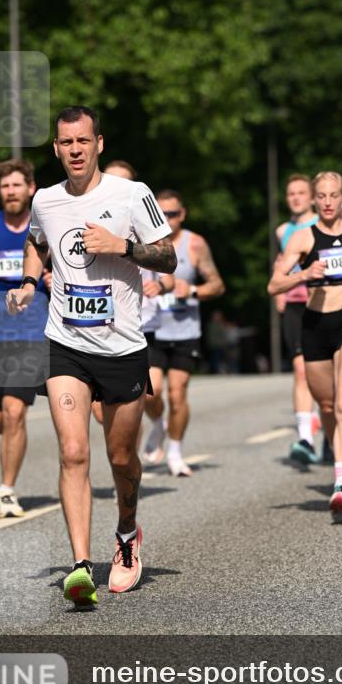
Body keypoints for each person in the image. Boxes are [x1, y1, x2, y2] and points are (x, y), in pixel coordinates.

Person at [6, 106, 176, 608]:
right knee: (73, 452)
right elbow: (37, 246)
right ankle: (81, 566)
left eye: (83, 141)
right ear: (55, 149)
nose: (75, 150)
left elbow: (167, 256)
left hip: (123, 347)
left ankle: (126, 532)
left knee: (121, 457)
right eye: (65, 143)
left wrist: (121, 245)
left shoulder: (131, 194)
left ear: (98, 143)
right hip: (67, 344)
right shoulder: (46, 200)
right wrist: (28, 282)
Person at [268, 172, 342, 520]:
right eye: (323, 196)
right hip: (315, 327)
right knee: (328, 405)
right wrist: (304, 275)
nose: (329, 202)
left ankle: (341, 484)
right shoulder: (302, 238)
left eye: (335, 195)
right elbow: (274, 285)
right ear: (316, 200)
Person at [0, 160, 50, 517]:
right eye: (5, 186)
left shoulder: (44, 226)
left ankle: (6, 489)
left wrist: (51, 278)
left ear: (30, 188)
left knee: (14, 411)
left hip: (31, 333)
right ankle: (7, 451)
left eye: (17, 185)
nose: (11, 191)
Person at [142, 189, 225, 476]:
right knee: (151, 393)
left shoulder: (195, 244)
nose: (167, 219)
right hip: (152, 328)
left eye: (173, 214)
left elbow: (217, 285)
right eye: (161, 214)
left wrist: (190, 290)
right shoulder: (144, 240)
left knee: (178, 395)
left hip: (185, 331)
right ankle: (157, 424)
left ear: (183, 215)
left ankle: (175, 452)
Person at [91, 160, 174, 429]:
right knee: (103, 415)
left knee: (149, 397)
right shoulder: (88, 218)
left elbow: (169, 270)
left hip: (139, 328)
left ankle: (156, 426)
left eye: (123, 182)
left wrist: (160, 286)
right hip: (92, 329)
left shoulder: (145, 227)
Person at [274, 174, 320, 464]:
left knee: (327, 373)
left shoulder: (322, 225)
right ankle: (305, 437)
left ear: (312, 196)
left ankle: (328, 427)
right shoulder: (282, 231)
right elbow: (282, 262)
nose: (296, 198)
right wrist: (279, 287)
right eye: (291, 193)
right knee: (301, 370)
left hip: (323, 301)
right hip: (294, 303)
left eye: (301, 192)